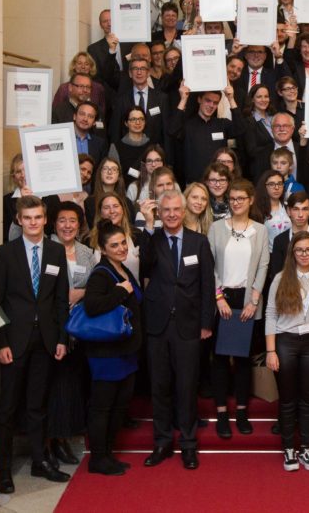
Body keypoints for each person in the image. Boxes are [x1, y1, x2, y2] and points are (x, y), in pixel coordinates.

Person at [0, 195, 71, 493]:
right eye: (28, 218)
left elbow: (61, 299)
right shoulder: (5, 253)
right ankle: (2, 471)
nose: (33, 222)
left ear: (45, 219)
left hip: (46, 340)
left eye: (38, 217)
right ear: (19, 220)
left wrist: (62, 338)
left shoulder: (55, 251)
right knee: (8, 408)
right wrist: (0, 342)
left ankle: (40, 461)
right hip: (14, 341)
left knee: (38, 405)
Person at [137, 190, 215, 470]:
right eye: (165, 210)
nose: (171, 214)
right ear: (159, 213)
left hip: (189, 326)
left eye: (175, 209)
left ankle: (189, 444)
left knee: (186, 387)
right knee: (160, 387)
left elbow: (207, 285)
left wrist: (206, 324)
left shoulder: (199, 242)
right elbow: (144, 266)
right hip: (158, 326)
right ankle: (162, 442)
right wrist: (148, 226)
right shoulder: (153, 239)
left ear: (183, 211)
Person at [207, 180, 270, 438]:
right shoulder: (216, 228)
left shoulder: (260, 230)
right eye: (232, 198)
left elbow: (263, 265)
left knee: (244, 360)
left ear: (251, 200)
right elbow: (209, 266)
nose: (236, 203)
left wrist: (254, 300)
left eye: (241, 198)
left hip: (248, 300)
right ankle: (222, 414)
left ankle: (242, 412)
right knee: (220, 359)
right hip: (221, 299)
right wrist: (218, 297)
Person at [265, 232, 309, 471]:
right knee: (287, 398)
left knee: (308, 398)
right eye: (299, 250)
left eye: (308, 250)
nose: (304, 254)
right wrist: (271, 351)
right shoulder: (281, 278)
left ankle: (305, 447)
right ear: (292, 253)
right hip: (285, 341)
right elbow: (271, 314)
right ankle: (288, 449)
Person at [81, 220, 143, 475]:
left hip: (126, 351)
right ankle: (98, 459)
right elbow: (92, 306)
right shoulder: (101, 273)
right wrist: (120, 292)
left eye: (123, 243)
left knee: (119, 406)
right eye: (114, 245)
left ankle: (108, 454)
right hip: (106, 354)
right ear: (103, 249)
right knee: (102, 407)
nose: (121, 248)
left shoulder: (123, 268)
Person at [46, 202, 94, 468]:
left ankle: (64, 437)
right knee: (54, 385)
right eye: (62, 220)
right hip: (53, 328)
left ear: (79, 224)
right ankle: (51, 441)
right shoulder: (46, 249)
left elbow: (95, 284)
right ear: (54, 223)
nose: (67, 225)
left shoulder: (87, 253)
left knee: (71, 385)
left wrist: (81, 293)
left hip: (79, 329)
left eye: (72, 220)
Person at [168, 83, 244, 184]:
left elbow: (240, 129)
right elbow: (172, 131)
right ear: (199, 100)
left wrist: (231, 99)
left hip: (219, 182)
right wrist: (183, 99)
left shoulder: (222, 124)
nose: (211, 105)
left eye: (215, 103)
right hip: (195, 184)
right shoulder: (188, 125)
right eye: (208, 101)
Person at [90, 193, 142, 283]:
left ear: (123, 210)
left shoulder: (136, 234)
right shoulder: (90, 239)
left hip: (134, 289)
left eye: (115, 206)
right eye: (106, 208)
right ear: (100, 213)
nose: (112, 211)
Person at [52, 52, 106, 119]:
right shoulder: (64, 88)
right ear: (74, 66)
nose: (83, 67)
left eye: (86, 64)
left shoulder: (98, 88)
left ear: (91, 67)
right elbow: (55, 112)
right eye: (79, 63)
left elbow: (102, 113)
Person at [107, 106, 151, 186]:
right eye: (133, 119)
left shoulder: (153, 146)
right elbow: (114, 175)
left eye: (141, 119)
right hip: (124, 190)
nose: (138, 122)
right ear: (126, 123)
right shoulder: (116, 147)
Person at [255, 170, 290, 249]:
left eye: (279, 184)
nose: (276, 188)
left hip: (287, 252)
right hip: (268, 253)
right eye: (271, 184)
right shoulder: (257, 209)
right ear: (264, 186)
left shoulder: (287, 207)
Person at [72, 102, 108, 167]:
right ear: (74, 116)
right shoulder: (63, 138)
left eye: (90, 116)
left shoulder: (100, 144)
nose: (85, 119)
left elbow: (100, 169)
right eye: (82, 114)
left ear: (94, 122)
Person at [3, 154, 27, 242]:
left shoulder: (50, 198)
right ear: (13, 177)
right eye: (18, 172)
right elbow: (6, 236)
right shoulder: (6, 202)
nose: (23, 175)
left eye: (26, 170)